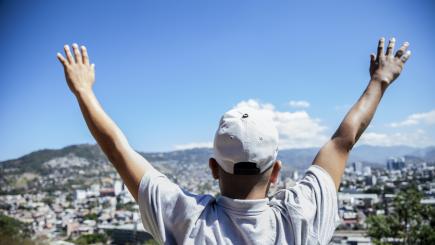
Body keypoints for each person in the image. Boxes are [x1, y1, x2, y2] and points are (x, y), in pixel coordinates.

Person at [57, 37, 411, 244]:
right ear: (275, 171)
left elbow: (118, 149)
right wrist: (379, 80)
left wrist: (83, 91)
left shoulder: (187, 221)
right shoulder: (301, 216)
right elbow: (342, 141)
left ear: (213, 168)